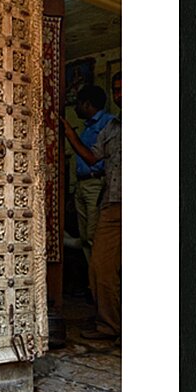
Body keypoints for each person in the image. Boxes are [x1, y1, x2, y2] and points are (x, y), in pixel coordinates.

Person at [62, 73, 122, 340]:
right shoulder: (113, 127)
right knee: (100, 266)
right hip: (112, 202)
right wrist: (70, 133)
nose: (120, 95)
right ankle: (110, 325)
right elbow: (92, 156)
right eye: (116, 90)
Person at [71, 85, 115, 268]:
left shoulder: (109, 123)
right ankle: (93, 277)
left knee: (94, 235)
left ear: (87, 104)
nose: (75, 108)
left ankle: (101, 277)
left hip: (96, 183)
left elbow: (93, 156)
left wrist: (70, 134)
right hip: (83, 184)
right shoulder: (88, 127)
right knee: (84, 236)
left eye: (78, 104)